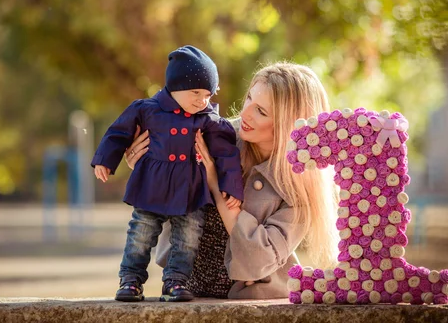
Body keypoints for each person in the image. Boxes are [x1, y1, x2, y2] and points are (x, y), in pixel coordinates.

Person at [124, 62, 340, 299]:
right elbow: (167, 207)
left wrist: (217, 188)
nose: (245, 112)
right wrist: (149, 171)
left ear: (287, 125)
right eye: (249, 98)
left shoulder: (300, 186)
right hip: (185, 290)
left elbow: (257, 259)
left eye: (262, 111)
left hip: (253, 299)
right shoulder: (215, 136)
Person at [91, 45, 244, 302]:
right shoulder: (147, 109)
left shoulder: (207, 120)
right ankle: (130, 280)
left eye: (208, 94)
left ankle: (175, 281)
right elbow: (118, 133)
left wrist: (232, 186)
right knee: (140, 234)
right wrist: (105, 160)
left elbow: (227, 154)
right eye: (196, 92)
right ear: (175, 86)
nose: (202, 100)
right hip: (152, 185)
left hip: (190, 191)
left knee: (188, 239)